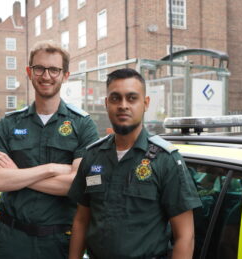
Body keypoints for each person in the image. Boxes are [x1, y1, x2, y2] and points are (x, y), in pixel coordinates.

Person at [68, 68, 202, 259]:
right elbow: (81, 221)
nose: (123, 105)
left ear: (145, 103)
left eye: (132, 98)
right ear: (106, 104)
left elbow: (185, 237)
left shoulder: (166, 160)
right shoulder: (92, 156)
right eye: (115, 98)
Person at [0, 41, 99, 259]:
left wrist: (17, 175)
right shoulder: (8, 124)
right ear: (29, 72)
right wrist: (51, 169)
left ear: (65, 75)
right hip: (10, 240)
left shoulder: (83, 125)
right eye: (39, 68)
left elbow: (83, 184)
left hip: (58, 242)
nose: (46, 76)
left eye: (54, 69)